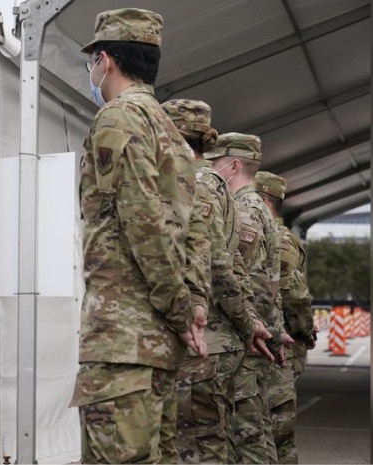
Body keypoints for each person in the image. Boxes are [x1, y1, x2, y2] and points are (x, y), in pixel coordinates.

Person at [68, 9, 205, 464]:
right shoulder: (169, 130)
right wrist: (188, 310)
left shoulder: (118, 119)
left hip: (124, 340)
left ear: (105, 60)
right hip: (154, 342)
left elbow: (143, 223)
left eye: (93, 61)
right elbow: (192, 233)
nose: (92, 71)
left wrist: (181, 310)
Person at [161, 100, 274, 463]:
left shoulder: (198, 183)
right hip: (216, 338)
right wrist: (252, 321)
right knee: (212, 440)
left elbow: (216, 262)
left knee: (199, 444)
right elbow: (235, 264)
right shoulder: (215, 185)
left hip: (206, 337)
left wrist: (247, 322)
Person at [205, 133, 287, 463]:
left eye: (214, 162)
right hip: (254, 336)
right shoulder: (258, 209)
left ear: (234, 165)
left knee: (246, 437)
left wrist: (260, 330)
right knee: (253, 433)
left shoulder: (245, 211)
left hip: (245, 340)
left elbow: (244, 281)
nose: (209, 169)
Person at [255, 171, 316, 464]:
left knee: (277, 427)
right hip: (267, 341)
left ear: (264, 201)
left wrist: (304, 332)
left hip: (281, 344)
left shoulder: (280, 240)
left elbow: (294, 294)